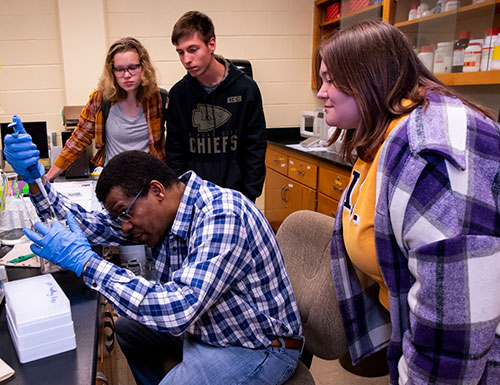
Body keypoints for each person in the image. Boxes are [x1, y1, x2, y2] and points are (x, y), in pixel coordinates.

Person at [3, 122, 302, 385]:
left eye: (125, 213)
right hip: (207, 330)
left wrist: (87, 263)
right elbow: (84, 225)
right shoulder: (158, 215)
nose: (125, 227)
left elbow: (179, 310)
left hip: (257, 347)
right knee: (128, 328)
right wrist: (35, 180)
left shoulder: (223, 214)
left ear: (157, 190)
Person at [316, 21, 500, 384]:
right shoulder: (383, 131)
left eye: (330, 79)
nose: (321, 92)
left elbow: (453, 331)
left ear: (368, 77)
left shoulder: (428, 156)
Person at [165, 10, 267, 203]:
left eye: (193, 49)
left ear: (211, 44)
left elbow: (255, 146)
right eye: (181, 52)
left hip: (238, 196)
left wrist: (249, 193)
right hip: (195, 199)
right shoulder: (179, 94)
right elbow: (175, 153)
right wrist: (181, 194)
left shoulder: (246, 89)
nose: (186, 59)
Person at [46, 37, 167, 182]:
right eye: (120, 69)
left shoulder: (159, 98)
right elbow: (77, 140)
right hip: (115, 183)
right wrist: (48, 177)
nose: (127, 75)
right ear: (112, 71)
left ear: (143, 66)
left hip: (151, 181)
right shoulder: (100, 99)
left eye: (133, 67)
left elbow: (176, 144)